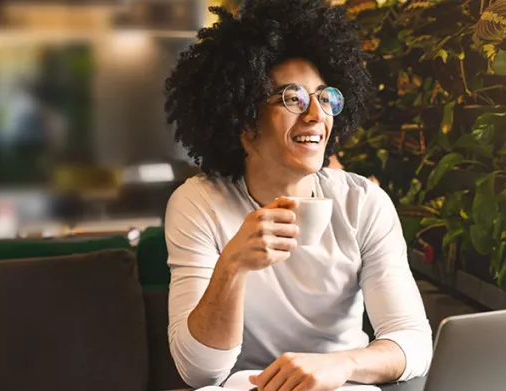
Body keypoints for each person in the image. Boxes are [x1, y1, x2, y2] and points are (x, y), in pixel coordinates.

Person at [161, 1, 432, 390]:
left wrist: (340, 365)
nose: (316, 115)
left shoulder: (364, 204)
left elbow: (414, 342)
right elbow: (200, 372)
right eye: (292, 98)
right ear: (243, 124)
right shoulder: (199, 204)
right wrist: (231, 267)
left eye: (324, 98)